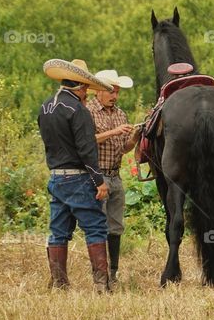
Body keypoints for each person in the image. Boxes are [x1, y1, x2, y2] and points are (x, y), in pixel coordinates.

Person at [39, 58, 113, 291]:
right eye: (86, 90)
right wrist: (99, 181)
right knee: (95, 227)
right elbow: (87, 149)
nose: (87, 95)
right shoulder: (78, 110)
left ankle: (60, 284)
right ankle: (102, 285)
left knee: (58, 231)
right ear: (80, 87)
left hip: (56, 177)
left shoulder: (45, 107)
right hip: (78, 177)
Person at [87, 69, 140, 285]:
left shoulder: (120, 113)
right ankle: (100, 274)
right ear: (99, 91)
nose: (115, 96)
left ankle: (114, 272)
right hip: (96, 176)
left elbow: (124, 149)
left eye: (117, 92)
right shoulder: (88, 111)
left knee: (115, 226)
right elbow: (87, 141)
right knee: (98, 225)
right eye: (111, 91)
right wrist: (114, 132)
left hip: (115, 176)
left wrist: (134, 137)